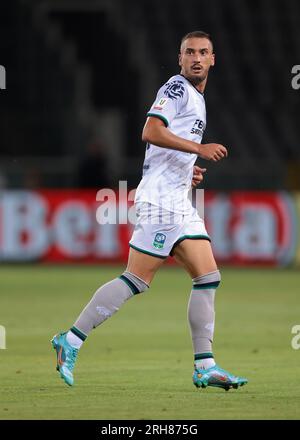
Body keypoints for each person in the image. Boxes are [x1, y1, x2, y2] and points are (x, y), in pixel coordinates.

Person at [51, 30, 248, 391]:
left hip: (177, 201)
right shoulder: (176, 88)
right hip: (160, 202)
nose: (197, 58)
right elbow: (151, 131)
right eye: (190, 52)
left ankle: (205, 365)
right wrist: (199, 149)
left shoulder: (197, 98)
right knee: (136, 280)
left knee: (208, 277)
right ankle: (71, 340)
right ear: (180, 59)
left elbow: (167, 148)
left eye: (204, 52)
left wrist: (188, 167)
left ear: (213, 59)